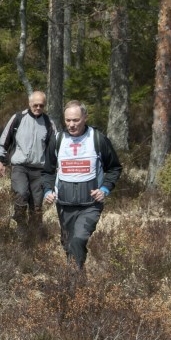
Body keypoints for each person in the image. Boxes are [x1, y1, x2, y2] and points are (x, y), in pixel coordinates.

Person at [42, 100, 122, 271]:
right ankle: (78, 278)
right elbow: (47, 171)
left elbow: (114, 167)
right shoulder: (58, 140)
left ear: (85, 117)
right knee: (68, 244)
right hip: (64, 204)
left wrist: (105, 189)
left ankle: (75, 284)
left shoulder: (98, 139)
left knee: (78, 240)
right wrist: (48, 190)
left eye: (76, 120)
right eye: (68, 120)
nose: (71, 125)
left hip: (90, 205)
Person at [0, 91, 55, 236]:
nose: (38, 108)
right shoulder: (18, 118)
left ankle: (34, 236)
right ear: (29, 103)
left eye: (41, 105)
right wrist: (0, 161)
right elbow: (4, 141)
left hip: (40, 170)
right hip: (19, 167)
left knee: (37, 205)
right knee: (21, 194)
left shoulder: (49, 123)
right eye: (35, 105)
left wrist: (55, 168)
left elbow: (54, 148)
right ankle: (20, 229)